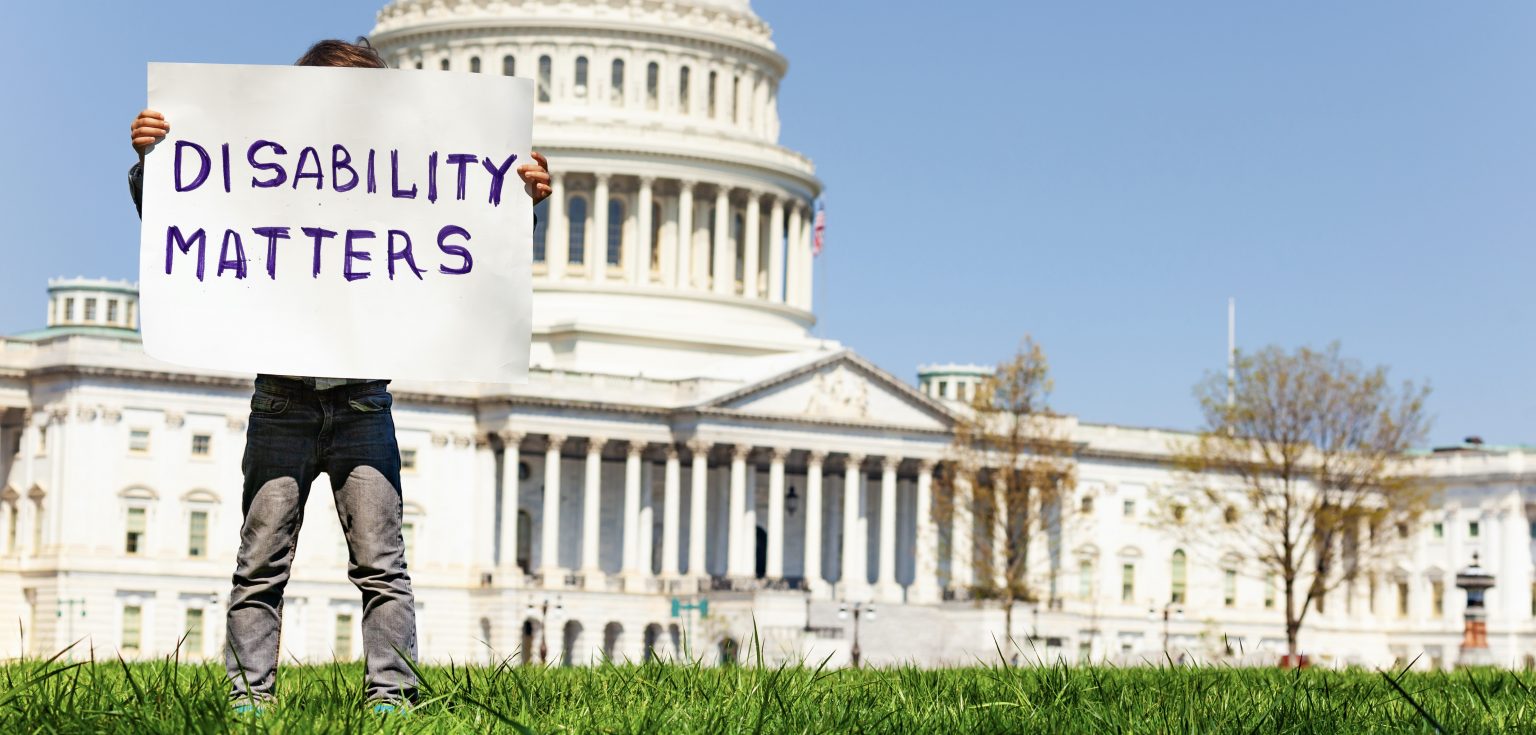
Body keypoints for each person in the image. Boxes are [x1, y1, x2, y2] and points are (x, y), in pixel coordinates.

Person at [127, 38, 552, 713]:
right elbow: (196, 213)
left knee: (383, 567)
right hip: (282, 401)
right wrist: (155, 163)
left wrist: (518, 199)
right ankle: (249, 702)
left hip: (362, 403)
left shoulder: (396, 172)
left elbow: (464, 238)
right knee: (259, 562)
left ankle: (392, 700)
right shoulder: (270, 165)